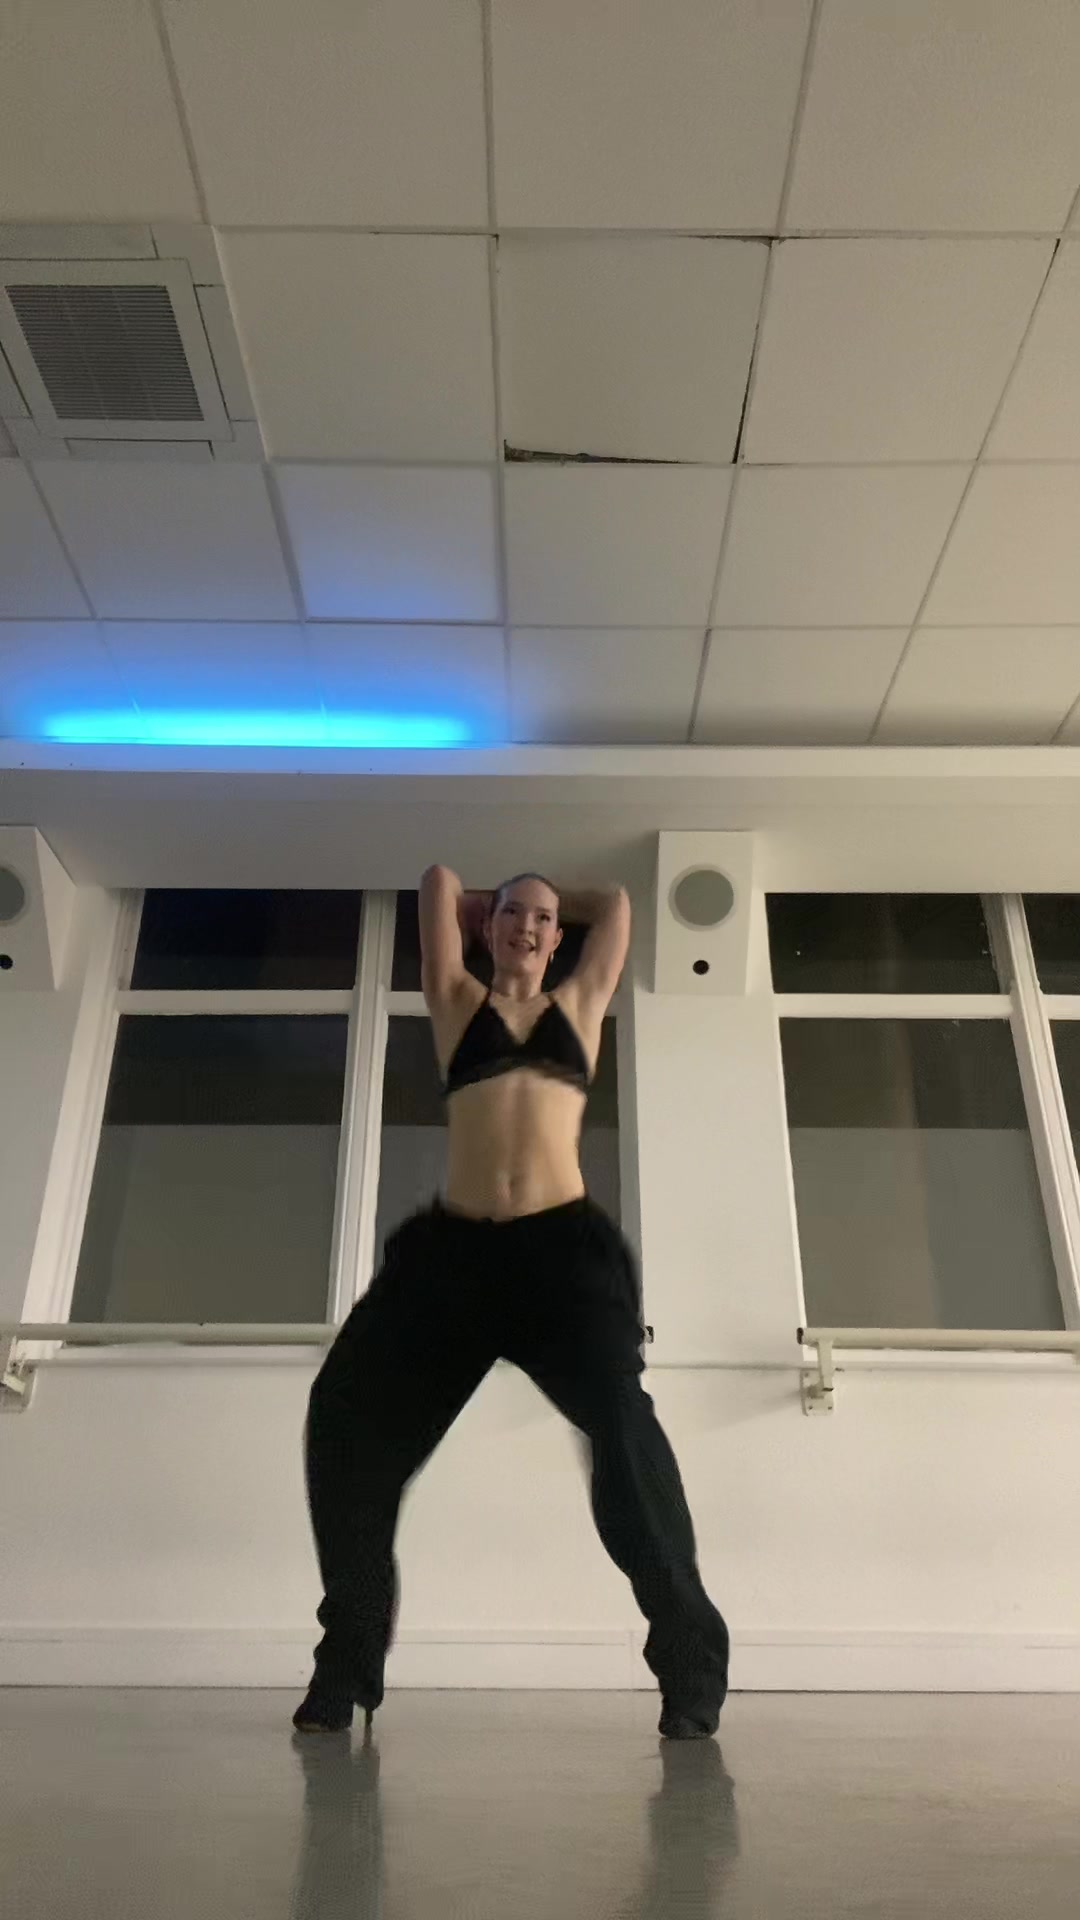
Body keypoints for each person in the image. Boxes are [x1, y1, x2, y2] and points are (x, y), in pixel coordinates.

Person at [293, 868, 730, 1740]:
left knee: (624, 1432)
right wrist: (480, 902)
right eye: (510, 916)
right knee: (342, 1419)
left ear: (559, 937)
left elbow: (616, 905)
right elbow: (435, 882)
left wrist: (541, 897)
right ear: (485, 928)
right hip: (453, 1259)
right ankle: (346, 1665)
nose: (527, 927)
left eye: (541, 919)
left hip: (564, 1259)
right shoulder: (457, 1000)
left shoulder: (581, 1004)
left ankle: (690, 1676)